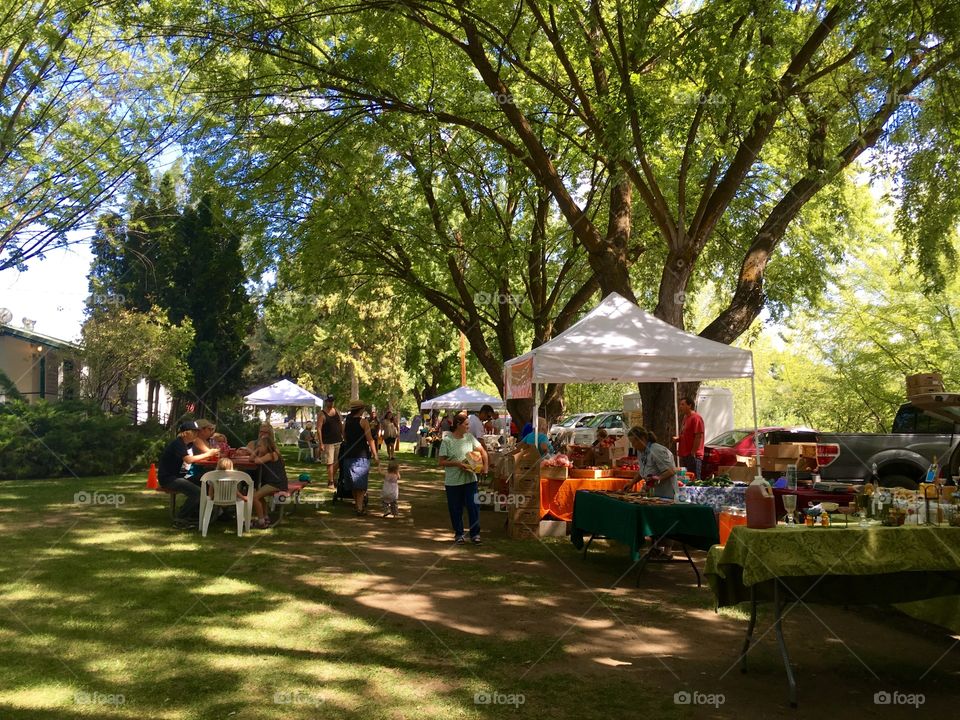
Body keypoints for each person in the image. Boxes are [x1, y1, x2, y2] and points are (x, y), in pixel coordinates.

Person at [438, 412, 488, 545]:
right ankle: (459, 534)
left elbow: (483, 452)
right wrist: (457, 464)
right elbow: (441, 462)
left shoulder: (470, 438)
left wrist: (485, 467)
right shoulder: (447, 441)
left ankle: (475, 534)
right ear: (458, 425)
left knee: (473, 506)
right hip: (453, 482)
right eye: (466, 424)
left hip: (470, 480)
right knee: (456, 508)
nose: (468, 427)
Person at [157, 420, 205, 529]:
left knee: (205, 479)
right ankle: (180, 520)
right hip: (169, 479)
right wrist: (208, 454)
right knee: (197, 492)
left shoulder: (189, 444)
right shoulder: (178, 443)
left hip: (180, 476)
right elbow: (188, 460)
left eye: (197, 431)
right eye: (194, 431)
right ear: (185, 433)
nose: (197, 434)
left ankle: (198, 512)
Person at [340, 399, 379, 514]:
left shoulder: (346, 421)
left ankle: (358, 505)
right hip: (361, 455)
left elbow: (344, 436)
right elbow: (370, 439)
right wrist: (375, 455)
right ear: (360, 409)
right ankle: (359, 508)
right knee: (361, 484)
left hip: (348, 454)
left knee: (353, 483)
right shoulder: (364, 422)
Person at [625, 426, 678, 500]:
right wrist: (632, 483)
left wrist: (658, 478)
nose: (633, 446)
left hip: (666, 495)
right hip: (653, 495)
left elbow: (671, 471)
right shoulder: (641, 452)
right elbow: (642, 471)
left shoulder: (657, 451)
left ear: (642, 439)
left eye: (634, 442)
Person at [251, 430, 288, 528]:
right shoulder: (267, 454)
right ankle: (265, 517)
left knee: (255, 497)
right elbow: (251, 459)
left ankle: (261, 522)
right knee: (260, 496)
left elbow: (257, 461)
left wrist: (256, 451)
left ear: (267, 446)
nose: (258, 448)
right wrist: (258, 450)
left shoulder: (271, 454)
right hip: (271, 482)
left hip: (276, 483)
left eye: (260, 446)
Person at [675, 396, 705, 480]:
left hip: (693, 455)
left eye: (683, 404)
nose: (680, 407)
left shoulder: (696, 418)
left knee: (694, 479)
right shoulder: (685, 418)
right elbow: (686, 434)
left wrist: (693, 452)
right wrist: (678, 439)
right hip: (684, 454)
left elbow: (698, 436)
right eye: (680, 405)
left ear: (690, 405)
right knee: (684, 479)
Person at [318, 395, 343, 489]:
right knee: (329, 462)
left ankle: (333, 478)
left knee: (338, 462)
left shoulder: (337, 412)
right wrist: (321, 443)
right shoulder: (322, 414)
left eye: (332, 401)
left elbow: (341, 425)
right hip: (328, 442)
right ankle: (331, 481)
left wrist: (344, 436)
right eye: (329, 401)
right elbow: (319, 429)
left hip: (338, 441)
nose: (331, 403)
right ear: (326, 402)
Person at [185, 418, 221, 483]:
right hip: (191, 473)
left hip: (201, 470)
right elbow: (211, 453)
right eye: (210, 429)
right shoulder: (196, 439)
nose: (212, 431)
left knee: (219, 477)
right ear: (201, 430)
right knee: (218, 478)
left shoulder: (207, 441)